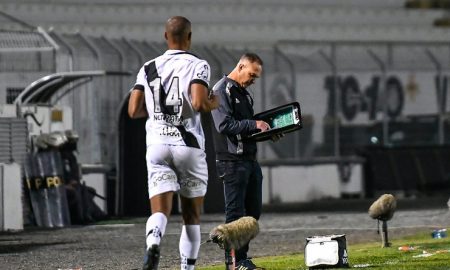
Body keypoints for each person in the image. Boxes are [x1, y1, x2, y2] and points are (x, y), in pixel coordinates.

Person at [128, 16, 219, 270]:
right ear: (189, 37)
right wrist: (215, 102)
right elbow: (200, 103)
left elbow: (133, 110)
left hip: (157, 145)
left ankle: (154, 242)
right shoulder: (199, 65)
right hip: (187, 146)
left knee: (160, 211)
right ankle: (186, 268)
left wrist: (158, 112)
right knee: (191, 217)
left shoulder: (147, 67)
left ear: (165, 37)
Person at [210, 53, 270, 270]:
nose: (253, 80)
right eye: (252, 75)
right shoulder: (220, 90)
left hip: (249, 160)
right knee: (235, 214)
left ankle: (242, 258)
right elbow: (224, 125)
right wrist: (255, 125)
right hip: (231, 162)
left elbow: (246, 129)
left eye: (256, 77)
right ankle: (234, 263)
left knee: (253, 214)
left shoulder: (245, 94)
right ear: (241, 66)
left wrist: (266, 132)